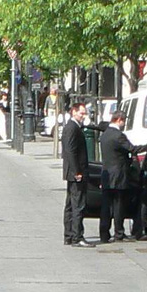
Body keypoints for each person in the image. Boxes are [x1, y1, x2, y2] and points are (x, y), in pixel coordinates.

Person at [98, 110, 137, 243]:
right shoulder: (119, 136)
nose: (124, 124)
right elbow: (132, 149)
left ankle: (104, 234)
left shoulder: (105, 135)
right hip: (119, 175)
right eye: (124, 121)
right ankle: (119, 233)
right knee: (118, 205)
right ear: (119, 120)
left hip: (106, 175)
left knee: (106, 207)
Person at [61, 100, 93, 246]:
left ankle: (69, 235)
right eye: (81, 113)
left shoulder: (73, 127)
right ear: (73, 112)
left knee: (70, 204)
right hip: (76, 172)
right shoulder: (72, 128)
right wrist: (76, 172)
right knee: (77, 204)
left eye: (84, 114)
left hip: (72, 172)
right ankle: (77, 236)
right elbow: (70, 151)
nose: (83, 116)